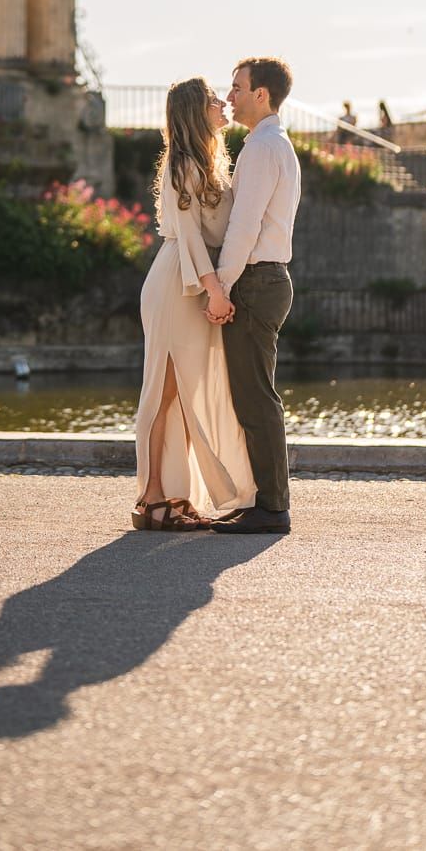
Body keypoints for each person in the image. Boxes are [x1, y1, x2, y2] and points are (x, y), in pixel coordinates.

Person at [132, 78, 258, 532]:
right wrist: (216, 290)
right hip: (175, 284)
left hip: (196, 283)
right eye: (212, 100)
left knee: (187, 398)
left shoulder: (210, 162)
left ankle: (177, 495)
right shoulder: (182, 165)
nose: (223, 102)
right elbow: (189, 238)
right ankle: (150, 500)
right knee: (164, 393)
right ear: (193, 110)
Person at [206, 56, 302, 535]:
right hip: (267, 277)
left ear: (261, 94)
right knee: (254, 395)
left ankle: (272, 507)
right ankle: (266, 501)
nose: (230, 96)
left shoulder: (263, 148)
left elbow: (244, 228)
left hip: (256, 280)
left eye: (238, 87)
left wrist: (220, 285)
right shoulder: (272, 144)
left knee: (256, 397)